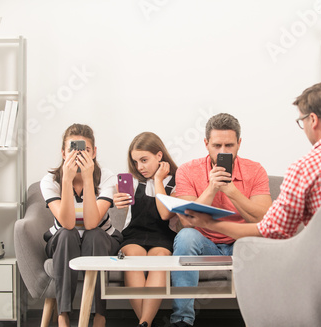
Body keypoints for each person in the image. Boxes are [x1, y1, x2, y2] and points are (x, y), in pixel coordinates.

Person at [177, 81, 321, 242]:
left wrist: (211, 223)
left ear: (313, 120)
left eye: (301, 121)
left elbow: (272, 230)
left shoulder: (306, 167)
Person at [170, 113, 272, 327]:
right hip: (204, 244)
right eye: (217, 145)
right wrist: (212, 187)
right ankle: (182, 319)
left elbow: (265, 220)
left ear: (239, 144)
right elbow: (188, 222)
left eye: (229, 145)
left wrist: (232, 191)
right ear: (206, 144)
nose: (223, 151)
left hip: (240, 243)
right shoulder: (188, 171)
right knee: (186, 236)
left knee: (260, 242)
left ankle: (260, 319)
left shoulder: (256, 170)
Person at [41, 123, 122, 327]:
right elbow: (66, 223)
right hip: (62, 240)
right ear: (63, 153)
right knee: (68, 234)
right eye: (73, 149)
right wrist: (67, 181)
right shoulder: (50, 180)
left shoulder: (107, 177)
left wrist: (87, 178)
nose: (78, 155)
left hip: (101, 238)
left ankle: (99, 315)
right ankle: (63, 314)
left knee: (93, 234)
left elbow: (91, 222)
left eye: (85, 150)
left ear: (94, 152)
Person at [114, 132, 179, 327]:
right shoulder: (131, 181)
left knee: (159, 259)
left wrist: (158, 180)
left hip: (163, 236)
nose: (139, 167)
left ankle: (143, 323)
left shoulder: (176, 182)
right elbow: (111, 197)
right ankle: (145, 323)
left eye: (144, 160)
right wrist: (115, 200)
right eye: (135, 162)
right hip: (134, 235)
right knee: (133, 256)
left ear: (159, 156)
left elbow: (166, 213)